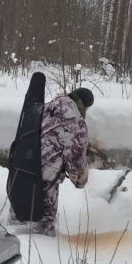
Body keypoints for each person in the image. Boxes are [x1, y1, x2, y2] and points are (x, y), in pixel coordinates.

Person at [35, 87, 93, 236]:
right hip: (45, 180)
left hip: (21, 171)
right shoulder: (76, 123)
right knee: (41, 231)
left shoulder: (48, 106)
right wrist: (81, 180)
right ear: (84, 105)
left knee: (17, 225)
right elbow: (76, 160)